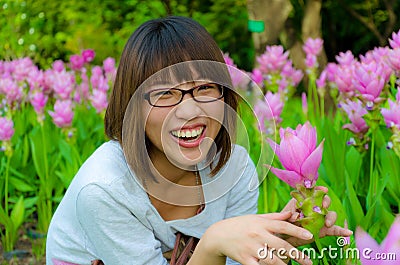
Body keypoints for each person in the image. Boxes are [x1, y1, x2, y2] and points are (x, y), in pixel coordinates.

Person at [46, 16, 352, 265]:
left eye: (206, 87)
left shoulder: (236, 169)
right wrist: (214, 242)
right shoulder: (104, 189)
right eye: (165, 93)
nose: (190, 111)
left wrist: (273, 237)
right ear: (132, 106)